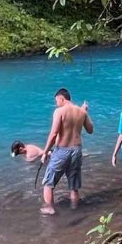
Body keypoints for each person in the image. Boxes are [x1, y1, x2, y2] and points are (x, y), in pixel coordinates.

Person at [39, 87, 93, 215]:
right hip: (77, 150)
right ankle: (75, 208)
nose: (56, 104)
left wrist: (45, 152)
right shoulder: (81, 112)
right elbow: (90, 130)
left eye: (56, 101)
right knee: (73, 185)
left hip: (62, 150)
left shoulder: (59, 111)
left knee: (48, 182)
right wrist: (85, 112)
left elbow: (53, 134)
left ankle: (49, 209)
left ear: (61, 98)